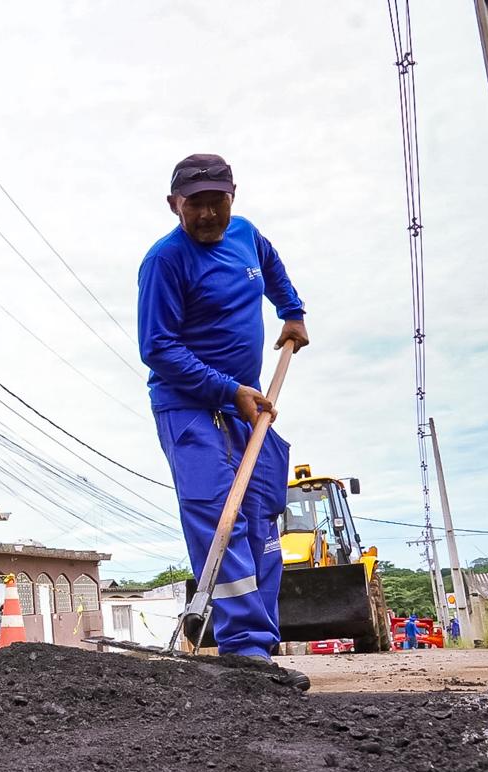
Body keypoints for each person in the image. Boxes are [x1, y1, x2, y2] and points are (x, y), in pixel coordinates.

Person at [137, 153, 311, 691]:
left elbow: (272, 267)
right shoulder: (165, 261)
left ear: (233, 198)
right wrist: (227, 390)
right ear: (174, 205)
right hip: (189, 406)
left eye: (218, 201)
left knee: (259, 521)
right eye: (196, 204)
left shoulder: (247, 236)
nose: (209, 214)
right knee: (219, 515)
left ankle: (260, 644)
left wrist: (292, 311)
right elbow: (158, 348)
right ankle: (243, 647)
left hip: (244, 405)